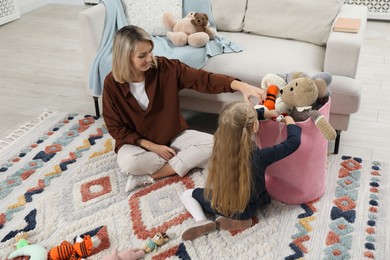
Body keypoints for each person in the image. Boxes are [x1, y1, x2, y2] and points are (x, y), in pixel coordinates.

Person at [102, 25, 266, 192]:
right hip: (138, 144)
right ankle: (188, 160)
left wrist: (240, 85)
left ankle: (154, 176)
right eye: (142, 56)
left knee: (213, 145)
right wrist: (152, 147)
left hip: (173, 136)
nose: (150, 58)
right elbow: (115, 127)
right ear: (125, 58)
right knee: (129, 162)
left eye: (150, 51)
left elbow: (203, 79)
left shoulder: (166, 68)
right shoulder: (111, 84)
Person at [179, 101, 302, 241]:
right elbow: (293, 142)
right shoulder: (260, 156)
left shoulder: (219, 146)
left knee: (187, 194)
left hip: (221, 205)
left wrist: (262, 113)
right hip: (252, 206)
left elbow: (240, 119)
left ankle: (201, 220)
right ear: (255, 126)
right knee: (253, 189)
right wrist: (290, 121)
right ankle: (241, 219)